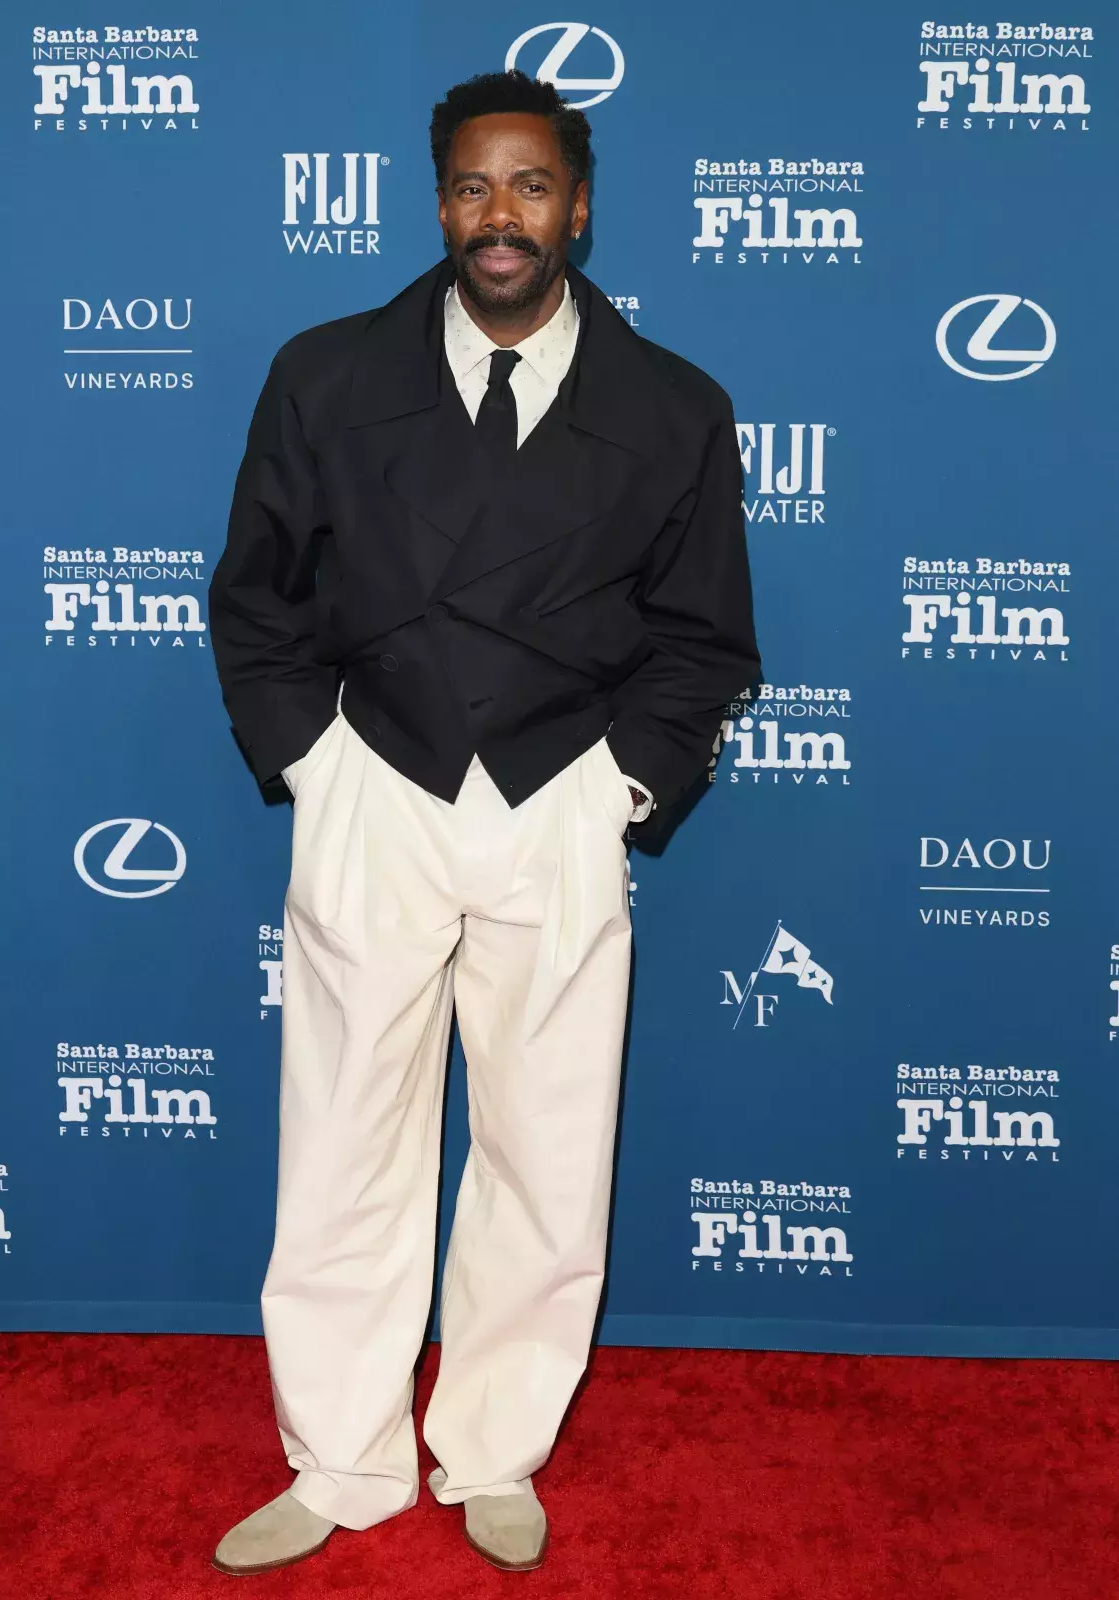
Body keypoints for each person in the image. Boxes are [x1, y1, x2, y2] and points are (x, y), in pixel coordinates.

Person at [207, 67, 759, 1576]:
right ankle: (340, 1458)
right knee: (343, 1141)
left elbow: (705, 639)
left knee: (545, 1146)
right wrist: (317, 768)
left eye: (529, 186)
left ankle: (497, 1446)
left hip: (557, 794)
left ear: (577, 207)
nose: (497, 215)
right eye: (471, 186)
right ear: (439, 201)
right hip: (375, 784)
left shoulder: (674, 406)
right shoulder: (327, 374)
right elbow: (256, 599)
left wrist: (617, 789)